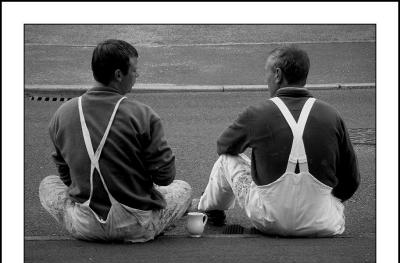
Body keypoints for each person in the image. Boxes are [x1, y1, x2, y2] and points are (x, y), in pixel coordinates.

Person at [196, 44, 360, 237]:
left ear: (277, 74)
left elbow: (223, 146)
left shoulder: (257, 113)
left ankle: (211, 210)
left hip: (269, 220)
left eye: (267, 73)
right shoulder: (332, 115)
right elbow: (351, 180)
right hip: (323, 222)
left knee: (227, 159)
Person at [39, 39, 192, 243]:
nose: (137, 75)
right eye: (135, 70)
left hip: (86, 226)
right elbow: (165, 176)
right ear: (119, 75)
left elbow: (66, 177)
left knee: (47, 184)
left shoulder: (63, 113)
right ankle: (151, 223)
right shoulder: (143, 114)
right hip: (137, 227)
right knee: (183, 188)